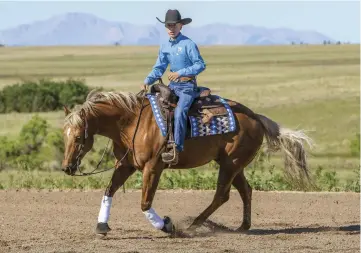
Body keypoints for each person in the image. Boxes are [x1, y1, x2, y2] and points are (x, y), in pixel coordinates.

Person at [143, 9, 206, 164]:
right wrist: (148, 79)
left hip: (187, 87)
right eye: (168, 26)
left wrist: (180, 72)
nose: (171, 28)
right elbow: (160, 67)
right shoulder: (165, 45)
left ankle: (176, 148)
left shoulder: (188, 44)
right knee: (153, 109)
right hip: (172, 87)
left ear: (180, 26)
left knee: (179, 112)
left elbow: (200, 65)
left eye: (174, 25)